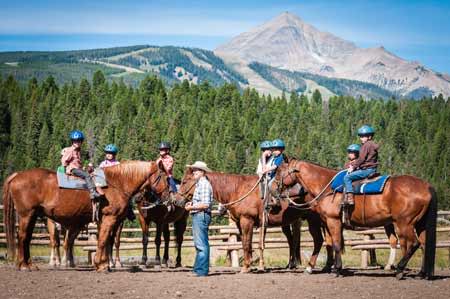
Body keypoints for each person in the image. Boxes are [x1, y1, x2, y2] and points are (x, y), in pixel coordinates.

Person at [184, 161, 213, 277]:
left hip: (201, 214)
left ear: (202, 172)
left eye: (196, 170)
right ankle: (198, 269)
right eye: (193, 170)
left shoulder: (204, 184)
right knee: (199, 243)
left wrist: (191, 207)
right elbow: (202, 201)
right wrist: (193, 203)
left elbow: (206, 204)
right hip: (199, 214)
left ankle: (201, 271)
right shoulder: (200, 184)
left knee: (201, 244)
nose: (194, 172)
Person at [343, 125, 379, 205]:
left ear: (369, 137)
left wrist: (353, 167)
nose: (361, 138)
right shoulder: (372, 145)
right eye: (360, 136)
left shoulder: (366, 145)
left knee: (347, 177)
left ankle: (350, 197)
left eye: (363, 136)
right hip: (372, 169)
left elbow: (361, 159)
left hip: (366, 170)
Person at [98, 144, 135, 221]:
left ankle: (129, 211)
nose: (109, 155)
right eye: (107, 153)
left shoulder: (117, 164)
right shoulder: (103, 164)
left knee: (127, 195)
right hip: (105, 183)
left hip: (115, 185)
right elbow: (99, 173)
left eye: (111, 153)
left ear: (114, 154)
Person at [61, 130, 100, 200]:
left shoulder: (78, 151)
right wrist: (65, 169)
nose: (77, 142)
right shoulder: (71, 150)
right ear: (72, 141)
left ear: (81, 141)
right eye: (75, 141)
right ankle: (92, 192)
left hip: (77, 168)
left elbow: (77, 163)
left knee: (90, 174)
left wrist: (83, 167)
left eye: (79, 141)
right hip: (72, 169)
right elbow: (64, 160)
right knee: (86, 175)